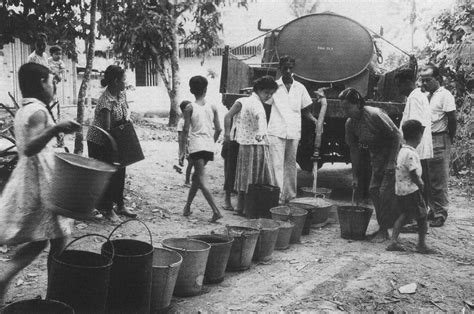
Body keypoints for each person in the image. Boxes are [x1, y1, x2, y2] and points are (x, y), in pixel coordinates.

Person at [0, 63, 80, 305]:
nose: (54, 85)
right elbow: (29, 147)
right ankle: (55, 296)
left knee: (41, 240)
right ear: (42, 83)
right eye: (51, 81)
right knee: (59, 239)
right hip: (42, 182)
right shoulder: (38, 112)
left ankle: (6, 278)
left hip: (31, 179)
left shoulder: (25, 109)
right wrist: (55, 127)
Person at [341, 87, 402, 242]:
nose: (345, 112)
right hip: (377, 158)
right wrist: (355, 176)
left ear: (358, 105)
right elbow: (354, 150)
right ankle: (385, 228)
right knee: (374, 190)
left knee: (384, 193)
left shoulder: (375, 114)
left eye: (348, 108)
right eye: (343, 108)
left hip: (392, 156)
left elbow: (396, 136)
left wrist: (392, 162)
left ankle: (385, 230)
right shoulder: (350, 124)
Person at [86, 65, 136, 221]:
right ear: (115, 81)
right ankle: (107, 209)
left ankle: (120, 205)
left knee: (120, 169)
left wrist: (126, 123)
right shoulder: (105, 101)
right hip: (100, 140)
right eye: (123, 80)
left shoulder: (121, 94)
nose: (125, 83)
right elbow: (107, 129)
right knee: (106, 172)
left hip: (116, 136)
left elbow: (125, 112)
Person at [224, 76, 277, 215]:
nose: (269, 96)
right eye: (266, 93)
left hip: (244, 144)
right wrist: (261, 134)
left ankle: (240, 206)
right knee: (253, 177)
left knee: (244, 175)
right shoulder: (255, 104)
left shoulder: (246, 101)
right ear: (258, 90)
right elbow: (260, 118)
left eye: (271, 93)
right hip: (254, 144)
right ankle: (247, 208)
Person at [267, 56, 317, 203]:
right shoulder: (274, 87)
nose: (288, 71)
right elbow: (266, 107)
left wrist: (315, 121)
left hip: (293, 131)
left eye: (290, 67)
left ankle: (290, 196)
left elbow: (305, 110)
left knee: (290, 165)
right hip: (276, 130)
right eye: (285, 68)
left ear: (293, 68)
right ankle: (278, 197)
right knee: (276, 164)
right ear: (280, 68)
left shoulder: (300, 88)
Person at [420, 64, 457, 227]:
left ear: (438, 79)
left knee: (438, 179)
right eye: (423, 80)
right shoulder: (427, 96)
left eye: (428, 80)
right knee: (426, 177)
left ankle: (441, 212)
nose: (425, 83)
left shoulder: (445, 95)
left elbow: (452, 118)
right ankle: (432, 209)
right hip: (427, 138)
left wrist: (450, 137)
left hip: (439, 138)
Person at [387, 120, 432, 253]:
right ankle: (421, 245)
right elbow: (413, 173)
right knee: (422, 217)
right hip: (412, 190)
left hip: (401, 190)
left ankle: (393, 241)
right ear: (418, 136)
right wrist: (421, 183)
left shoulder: (402, 151)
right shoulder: (411, 154)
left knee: (404, 215)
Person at [182, 76, 223, 222]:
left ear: (191, 90)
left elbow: (186, 130)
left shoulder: (189, 107)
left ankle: (216, 211)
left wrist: (183, 151)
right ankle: (187, 207)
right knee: (196, 178)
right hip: (208, 147)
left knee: (201, 179)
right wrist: (210, 142)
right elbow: (218, 129)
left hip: (197, 146)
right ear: (206, 89)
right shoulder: (212, 107)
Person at [395, 67, 433, 220]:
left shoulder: (415, 97)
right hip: (415, 148)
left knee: (418, 184)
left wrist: (410, 149)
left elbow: (416, 125)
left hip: (416, 149)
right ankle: (419, 217)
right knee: (419, 183)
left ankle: (420, 218)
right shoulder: (415, 96)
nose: (398, 89)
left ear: (409, 82)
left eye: (399, 85)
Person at [176, 100, 193, 185]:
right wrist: (181, 152)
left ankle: (193, 180)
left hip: (193, 143)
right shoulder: (182, 122)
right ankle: (187, 181)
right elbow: (180, 138)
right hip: (186, 144)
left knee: (194, 162)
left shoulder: (191, 120)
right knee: (191, 162)